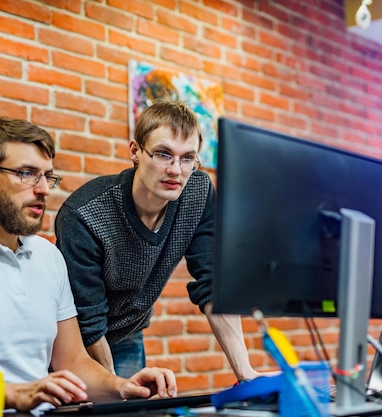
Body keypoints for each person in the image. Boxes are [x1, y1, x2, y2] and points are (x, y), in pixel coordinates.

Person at [0, 118, 176, 412]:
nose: (45, 189)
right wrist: (10, 394)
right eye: (27, 174)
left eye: (48, 176)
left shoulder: (48, 257)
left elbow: (72, 362)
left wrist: (121, 386)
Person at [55, 100, 257, 381]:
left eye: (188, 158)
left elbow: (213, 284)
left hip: (128, 332)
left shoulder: (197, 194)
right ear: (135, 151)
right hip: (76, 341)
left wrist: (244, 372)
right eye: (164, 154)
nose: (176, 170)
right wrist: (114, 386)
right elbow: (88, 318)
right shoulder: (85, 214)